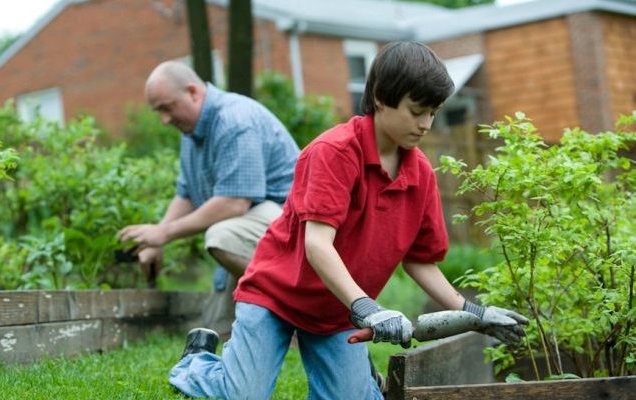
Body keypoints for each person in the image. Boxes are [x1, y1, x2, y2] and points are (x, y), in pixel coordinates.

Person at [168, 41, 529, 399]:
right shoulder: (334, 152)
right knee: (243, 396)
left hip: (338, 312)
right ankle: (198, 362)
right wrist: (369, 309)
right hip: (276, 296)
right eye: (417, 111)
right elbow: (317, 244)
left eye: (433, 112)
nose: (426, 124)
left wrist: (476, 314)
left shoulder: (420, 174)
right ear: (382, 98)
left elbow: (420, 261)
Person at [117, 61, 300, 335]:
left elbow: (234, 203)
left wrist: (165, 233)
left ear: (193, 92)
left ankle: (299, 314)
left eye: (167, 108)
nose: (164, 120)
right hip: (254, 230)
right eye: (158, 112)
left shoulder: (234, 121)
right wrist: (155, 239)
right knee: (216, 329)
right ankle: (270, 323)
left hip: (293, 228)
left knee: (222, 236)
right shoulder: (192, 132)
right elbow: (187, 193)